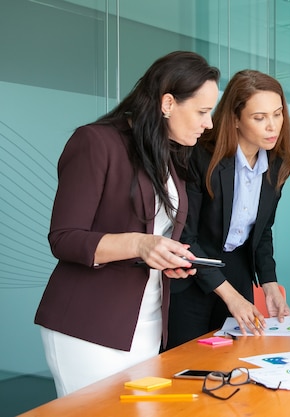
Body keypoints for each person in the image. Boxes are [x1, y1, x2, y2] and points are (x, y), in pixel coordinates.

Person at [34, 51, 220, 396]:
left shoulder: (167, 153)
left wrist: (167, 258)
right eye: (202, 112)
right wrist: (139, 244)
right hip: (89, 326)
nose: (208, 124)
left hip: (147, 324)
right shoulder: (95, 142)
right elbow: (64, 238)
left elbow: (154, 236)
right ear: (167, 103)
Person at [167, 70, 290, 348]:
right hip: (191, 276)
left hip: (236, 271)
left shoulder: (275, 163)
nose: (272, 126)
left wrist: (270, 285)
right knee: (186, 365)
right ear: (235, 119)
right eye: (259, 118)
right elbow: (185, 237)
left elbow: (262, 233)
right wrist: (232, 297)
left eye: (277, 114)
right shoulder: (200, 157)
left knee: (235, 363)